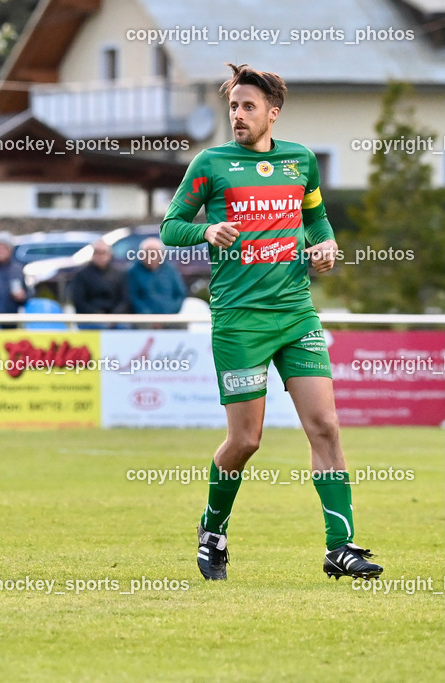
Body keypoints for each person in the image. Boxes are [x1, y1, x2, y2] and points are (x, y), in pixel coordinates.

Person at [161, 64, 381, 581]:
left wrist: (325, 246)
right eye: (233, 107)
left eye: (248, 107)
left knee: (325, 427)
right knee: (246, 441)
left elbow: (317, 219)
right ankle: (212, 529)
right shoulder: (210, 164)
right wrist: (206, 231)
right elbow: (171, 227)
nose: (238, 115)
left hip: (296, 313)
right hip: (239, 322)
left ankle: (340, 547)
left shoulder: (300, 161)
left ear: (272, 114)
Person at [69, 240, 129, 328]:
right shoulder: (81, 275)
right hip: (90, 318)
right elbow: (79, 301)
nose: (100, 256)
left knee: (124, 327)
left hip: (115, 317)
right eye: (97, 253)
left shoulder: (119, 274)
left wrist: (114, 316)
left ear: (109, 255)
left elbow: (124, 299)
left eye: (103, 253)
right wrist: (98, 316)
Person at [127, 237, 186, 315]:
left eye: (154, 254)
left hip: (170, 317)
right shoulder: (133, 271)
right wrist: (149, 317)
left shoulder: (171, 270)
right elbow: (133, 298)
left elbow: (180, 294)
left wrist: (170, 312)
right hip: (144, 319)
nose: (151, 257)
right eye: (147, 254)